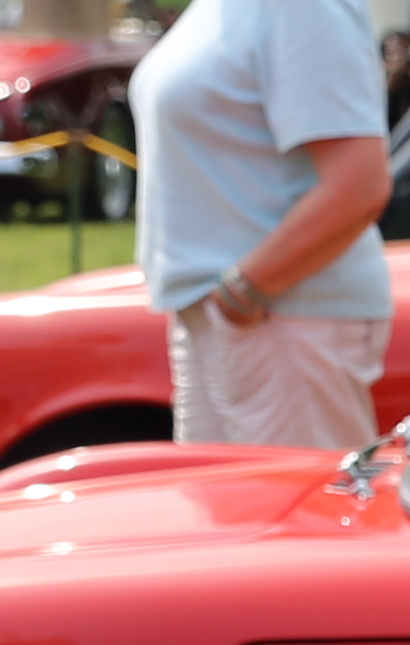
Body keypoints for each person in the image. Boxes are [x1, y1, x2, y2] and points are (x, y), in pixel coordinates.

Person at [130, 0, 394, 454]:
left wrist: (241, 294)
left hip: (282, 314)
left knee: (306, 520)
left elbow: (360, 185)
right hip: (227, 315)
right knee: (226, 519)